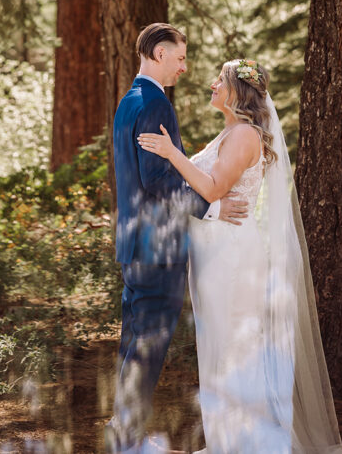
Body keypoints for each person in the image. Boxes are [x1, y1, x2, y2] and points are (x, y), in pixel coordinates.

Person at [138, 59, 342, 453]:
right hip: (217, 250)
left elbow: (214, 188)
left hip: (232, 255)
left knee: (234, 347)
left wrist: (171, 153)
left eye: (219, 80)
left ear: (237, 90)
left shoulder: (243, 136)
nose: (211, 83)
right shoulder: (232, 131)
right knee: (220, 345)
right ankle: (228, 440)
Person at [105, 23, 249, 454]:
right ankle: (128, 439)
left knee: (135, 341)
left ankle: (122, 427)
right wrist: (213, 208)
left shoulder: (131, 100)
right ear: (159, 54)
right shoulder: (154, 104)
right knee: (147, 345)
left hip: (136, 243)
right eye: (181, 58)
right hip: (157, 246)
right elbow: (157, 181)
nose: (185, 67)